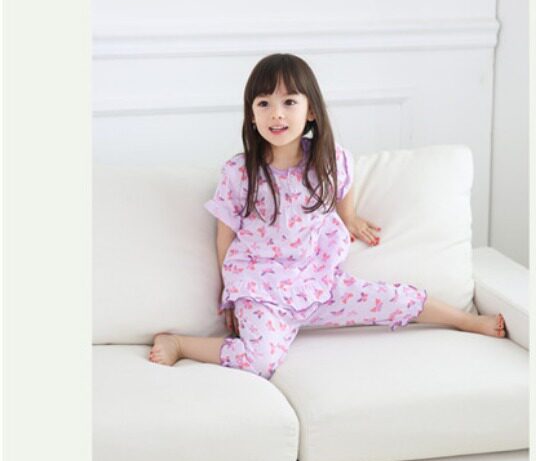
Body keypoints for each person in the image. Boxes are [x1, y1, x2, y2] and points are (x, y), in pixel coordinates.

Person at [149, 53, 506, 378]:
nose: (276, 113)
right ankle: (180, 344)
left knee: (395, 297)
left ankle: (465, 321)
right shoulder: (240, 172)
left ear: (311, 111)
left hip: (317, 285)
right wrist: (231, 292)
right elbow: (224, 235)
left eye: (289, 102)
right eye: (264, 103)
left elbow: (344, 183)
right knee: (260, 361)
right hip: (261, 290)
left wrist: (348, 217)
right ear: (252, 115)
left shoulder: (328, 161)